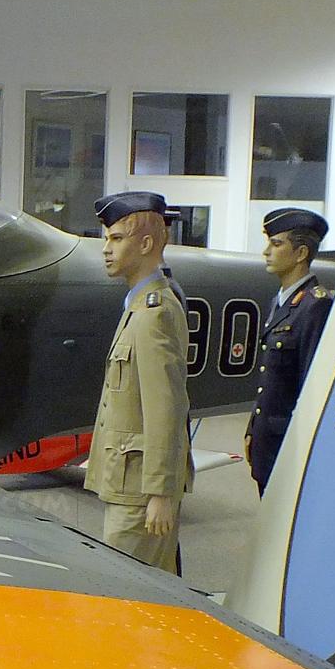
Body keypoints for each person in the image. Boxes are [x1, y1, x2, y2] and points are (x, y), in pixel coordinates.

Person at [85, 190, 192, 573]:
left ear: (146, 243)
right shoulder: (138, 307)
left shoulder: (154, 314)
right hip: (130, 484)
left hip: (139, 491)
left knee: (123, 591)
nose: (106, 249)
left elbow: (166, 408)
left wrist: (162, 492)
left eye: (116, 239)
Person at [246, 206, 334, 495]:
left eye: (276, 243)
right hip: (270, 442)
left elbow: (311, 386)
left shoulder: (314, 306)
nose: (266, 252)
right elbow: (269, 378)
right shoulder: (282, 302)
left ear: (301, 254)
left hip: (288, 447)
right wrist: (253, 428)